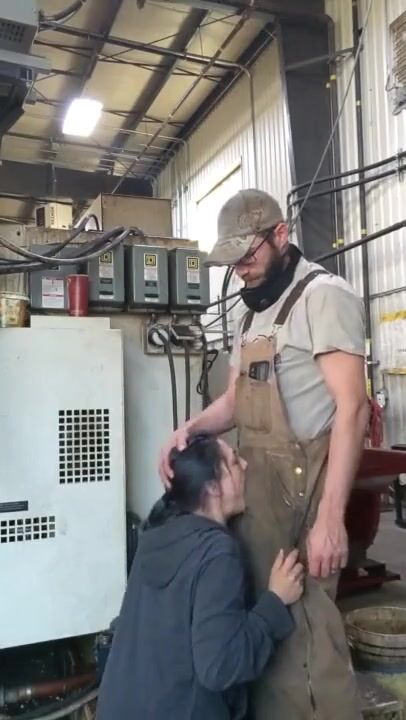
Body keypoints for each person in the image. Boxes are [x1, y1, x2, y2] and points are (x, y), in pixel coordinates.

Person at [160, 189, 370, 720]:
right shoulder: (252, 312)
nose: (241, 269)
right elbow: (235, 401)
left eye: (248, 255)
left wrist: (331, 520)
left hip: (304, 494)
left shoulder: (323, 296)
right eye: (232, 260)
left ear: (280, 235)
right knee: (265, 615)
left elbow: (353, 408)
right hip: (259, 494)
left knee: (309, 631)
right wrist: (188, 429)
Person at [96, 434, 304, 720]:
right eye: (233, 462)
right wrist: (275, 602)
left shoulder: (155, 536)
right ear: (212, 488)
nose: (245, 464)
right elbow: (221, 667)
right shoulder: (217, 553)